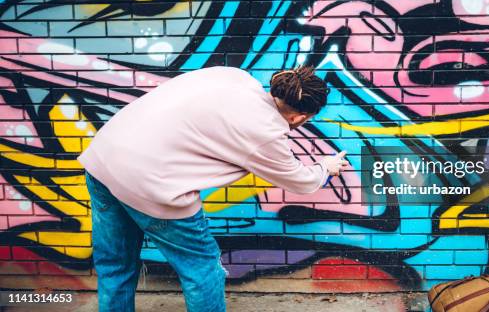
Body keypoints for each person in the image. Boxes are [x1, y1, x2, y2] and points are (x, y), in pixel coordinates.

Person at [77, 65, 349, 312]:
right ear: (299, 117)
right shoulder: (265, 132)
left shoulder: (234, 77)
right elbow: (301, 181)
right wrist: (326, 166)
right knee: (203, 269)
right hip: (152, 184)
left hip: (103, 160)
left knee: (115, 263)